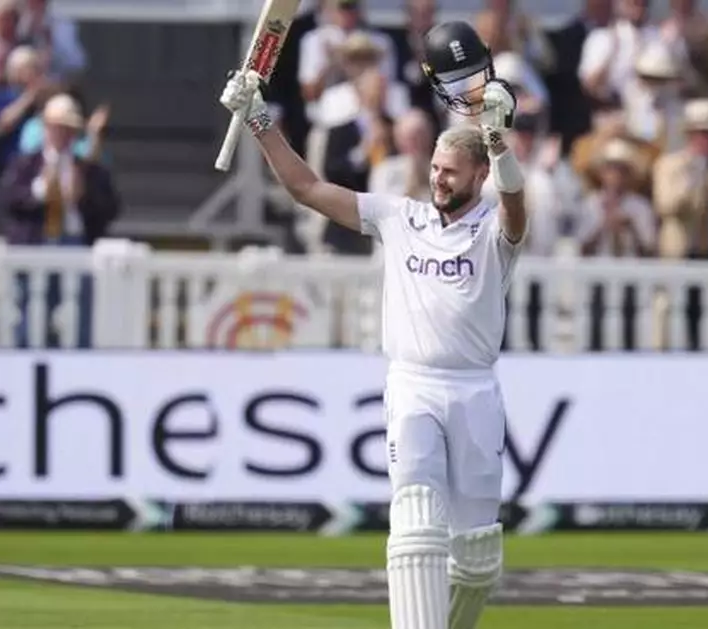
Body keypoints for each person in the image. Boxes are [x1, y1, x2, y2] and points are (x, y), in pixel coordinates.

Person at [220, 20, 524, 629]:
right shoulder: (398, 216)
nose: (438, 178)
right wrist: (258, 119)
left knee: (477, 560)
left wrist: (497, 141)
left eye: (450, 172)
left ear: (477, 177)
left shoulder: (496, 231)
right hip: (412, 384)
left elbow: (517, 206)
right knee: (414, 521)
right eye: (435, 167)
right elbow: (307, 188)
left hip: (475, 390)